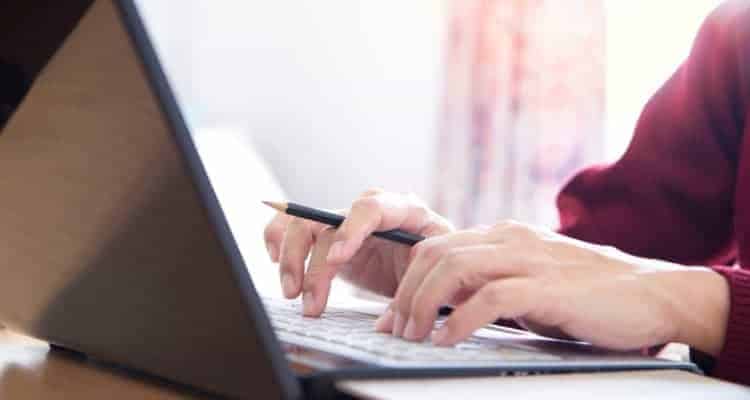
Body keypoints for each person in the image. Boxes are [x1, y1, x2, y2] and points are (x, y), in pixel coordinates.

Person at [265, 0, 750, 385]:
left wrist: (691, 302)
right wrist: (447, 266)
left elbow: (640, 286)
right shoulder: (737, 38)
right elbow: (599, 271)